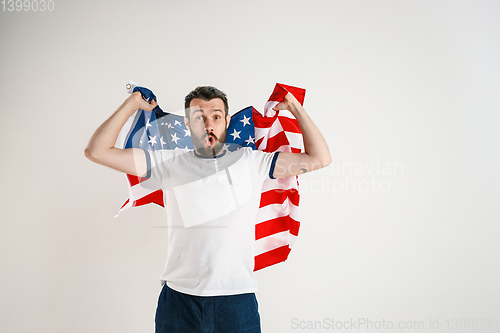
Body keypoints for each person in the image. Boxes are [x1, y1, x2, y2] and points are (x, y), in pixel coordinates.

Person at [84, 85, 331, 333]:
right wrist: (132, 104)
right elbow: (96, 151)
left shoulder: (253, 161)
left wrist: (295, 108)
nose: (208, 124)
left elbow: (320, 159)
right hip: (179, 302)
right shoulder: (168, 162)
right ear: (187, 124)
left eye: (215, 116)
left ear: (227, 121)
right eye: (199, 118)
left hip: (237, 301)